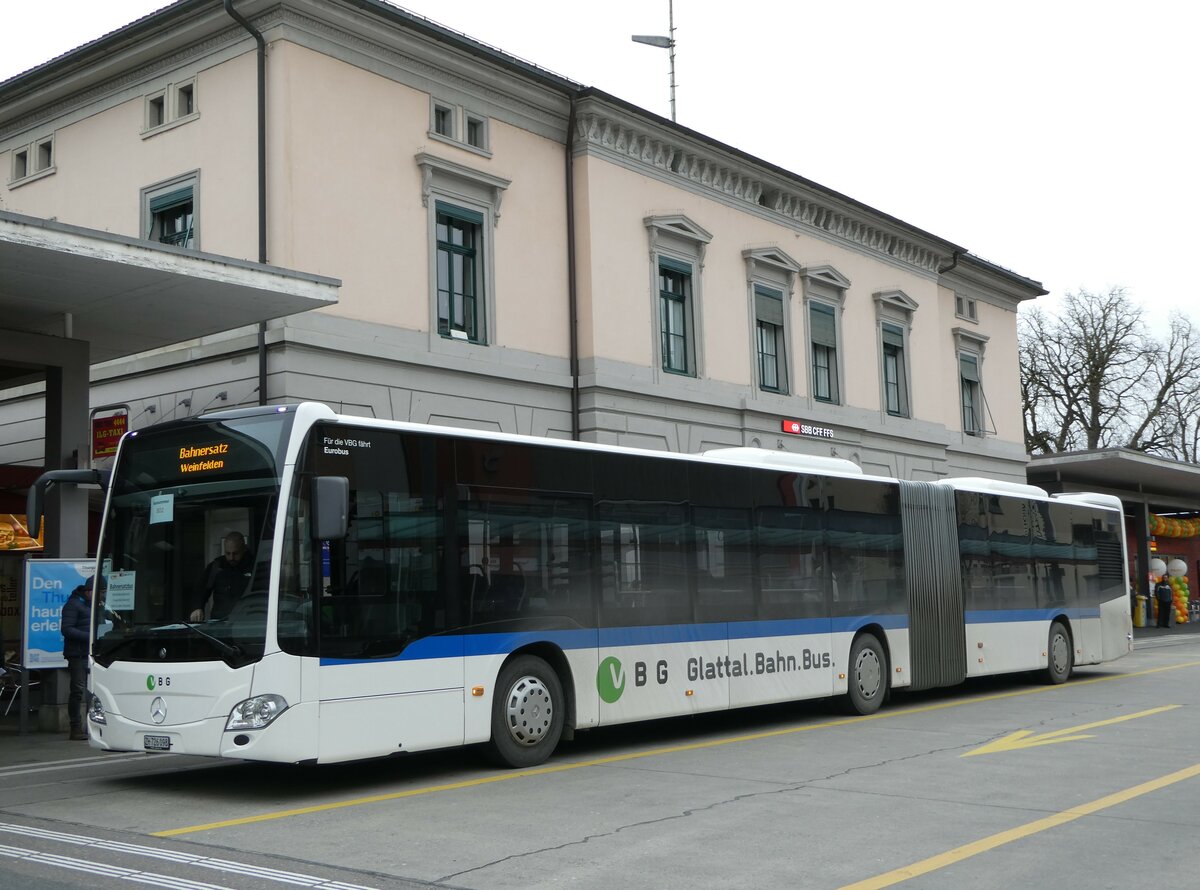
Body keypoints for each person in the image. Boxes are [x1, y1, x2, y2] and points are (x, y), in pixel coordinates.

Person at [61, 577, 102, 740]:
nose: (101, 597)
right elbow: (66, 629)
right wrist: (91, 636)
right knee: (78, 690)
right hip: (77, 654)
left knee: (91, 692)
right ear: (88, 591)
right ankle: (75, 727)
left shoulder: (95, 606)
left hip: (91, 653)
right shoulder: (74, 604)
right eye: (99, 593)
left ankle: (90, 726)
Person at [190, 531, 254, 622]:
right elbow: (201, 589)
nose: (231, 557)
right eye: (228, 553)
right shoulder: (217, 566)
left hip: (247, 621)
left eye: (235, 554)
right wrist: (197, 607)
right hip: (220, 622)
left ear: (244, 549)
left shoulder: (254, 566)